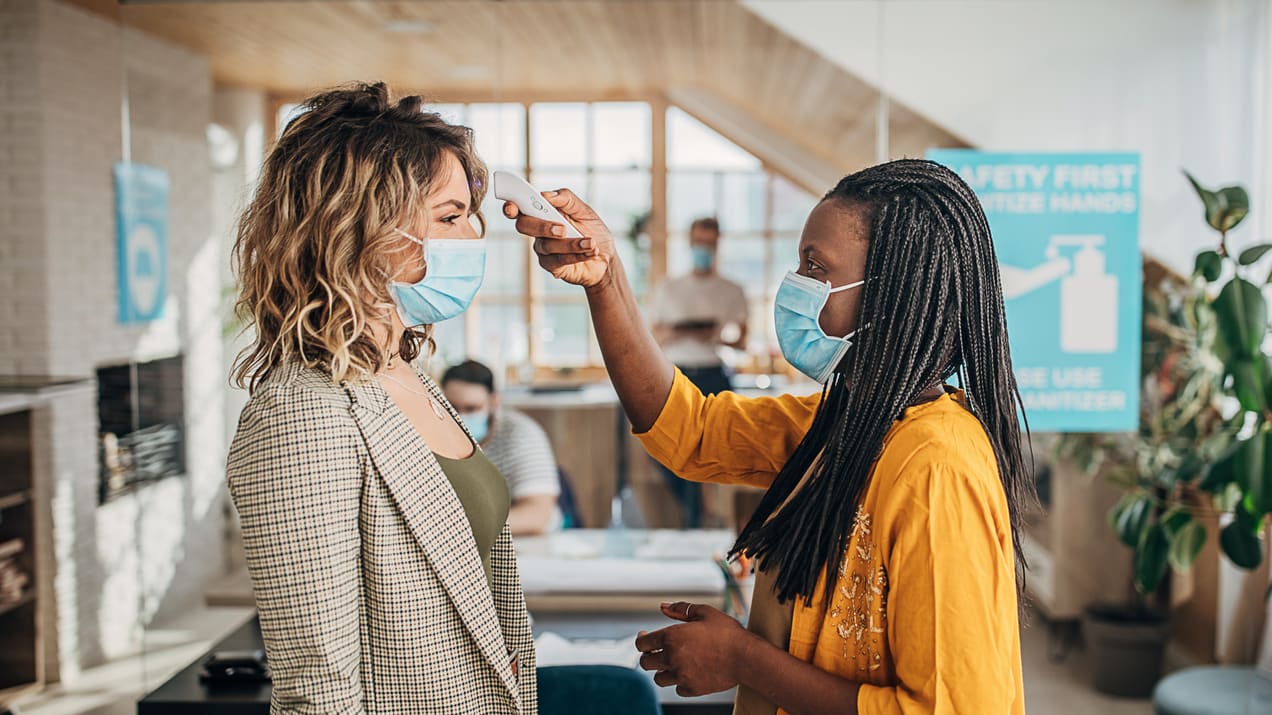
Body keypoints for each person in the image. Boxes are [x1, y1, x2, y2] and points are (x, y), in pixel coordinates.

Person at [504, 159, 1030, 714]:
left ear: (890, 294)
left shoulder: (936, 468)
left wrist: (742, 660)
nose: (796, 285)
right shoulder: (845, 423)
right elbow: (691, 431)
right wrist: (605, 278)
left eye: (814, 266)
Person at [226, 82, 536, 714]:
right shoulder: (300, 417)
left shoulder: (407, 374)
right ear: (360, 231)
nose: (475, 234)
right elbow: (318, 695)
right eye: (450, 217)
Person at [647, 217, 749, 527]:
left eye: (709, 243)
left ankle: (706, 516)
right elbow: (652, 336)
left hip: (714, 374)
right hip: (676, 374)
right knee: (663, 447)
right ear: (690, 243)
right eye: (698, 242)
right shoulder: (668, 288)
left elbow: (742, 342)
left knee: (716, 449)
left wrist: (714, 335)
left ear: (718, 244)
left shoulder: (731, 290)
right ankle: (696, 511)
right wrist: (680, 332)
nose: (703, 248)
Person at [441, 359, 562, 536]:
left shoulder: (521, 435)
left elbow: (537, 515)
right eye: (452, 408)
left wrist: (459, 530)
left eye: (472, 408)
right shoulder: (437, 436)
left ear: (494, 401)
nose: (460, 417)